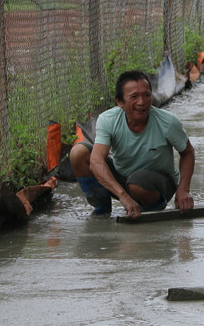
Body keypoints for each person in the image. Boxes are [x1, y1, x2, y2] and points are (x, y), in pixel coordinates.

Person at [69, 70, 195, 219]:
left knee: (137, 181)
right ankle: (102, 209)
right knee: (78, 153)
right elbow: (96, 161)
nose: (142, 102)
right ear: (119, 102)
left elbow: (187, 152)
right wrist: (123, 196)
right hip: (123, 179)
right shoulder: (108, 120)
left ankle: (150, 208)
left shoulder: (168, 122)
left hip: (157, 183)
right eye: (134, 97)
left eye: (146, 95)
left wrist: (183, 189)